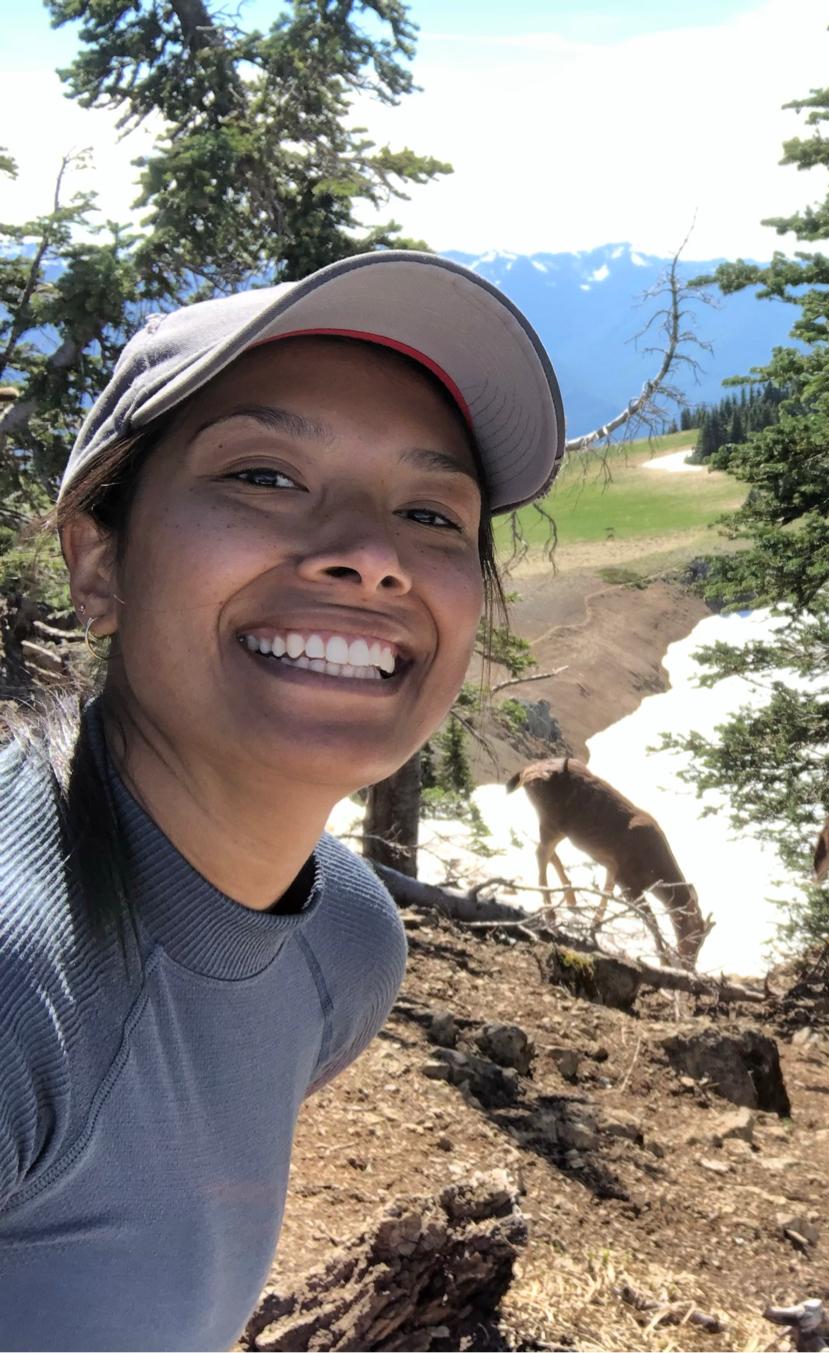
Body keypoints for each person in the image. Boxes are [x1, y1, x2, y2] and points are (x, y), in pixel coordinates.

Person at [0, 251, 564, 1349]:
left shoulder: (345, 942)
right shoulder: (19, 989)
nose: (370, 556)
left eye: (432, 513)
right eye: (263, 476)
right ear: (97, 561)